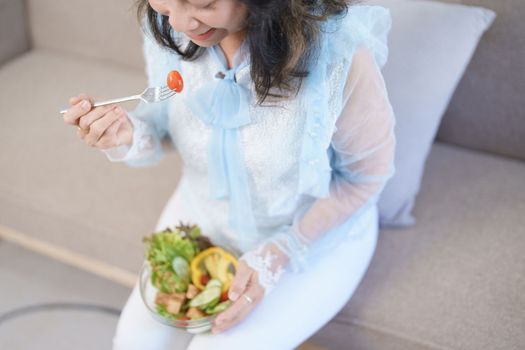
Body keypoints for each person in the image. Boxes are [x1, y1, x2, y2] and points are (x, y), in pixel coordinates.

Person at [62, 0, 396, 348]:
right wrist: (125, 134)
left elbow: (364, 181)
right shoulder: (173, 32)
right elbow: (160, 127)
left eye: (202, 3)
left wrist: (276, 255)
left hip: (310, 230)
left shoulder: (340, 59)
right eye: (161, 5)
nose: (177, 23)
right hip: (203, 211)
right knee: (134, 341)